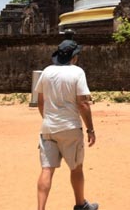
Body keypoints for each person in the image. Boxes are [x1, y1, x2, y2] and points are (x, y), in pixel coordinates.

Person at [35, 39, 98, 210]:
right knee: (76, 168)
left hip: (48, 128)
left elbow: (40, 101)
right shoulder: (77, 73)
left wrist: (47, 119)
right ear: (74, 57)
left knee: (47, 169)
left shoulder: (46, 72)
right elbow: (83, 104)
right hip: (70, 127)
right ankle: (80, 204)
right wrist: (90, 129)